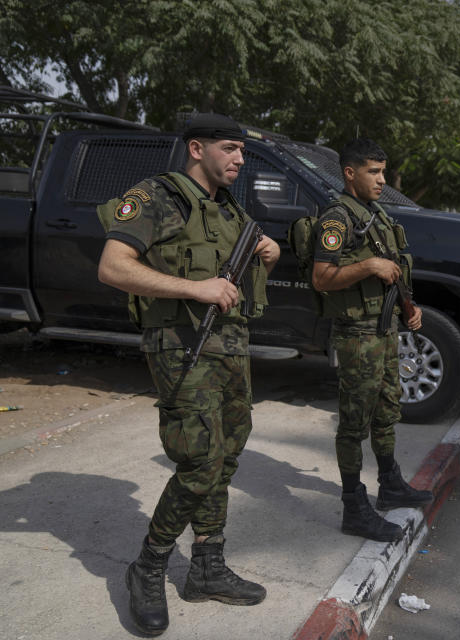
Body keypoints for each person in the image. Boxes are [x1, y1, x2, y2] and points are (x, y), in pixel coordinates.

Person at [97, 113, 280, 636]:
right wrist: (194, 289)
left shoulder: (229, 210)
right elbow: (112, 266)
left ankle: (207, 566)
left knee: (226, 455)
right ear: (196, 148)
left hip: (231, 346)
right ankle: (149, 565)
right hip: (180, 345)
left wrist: (268, 255)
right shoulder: (156, 196)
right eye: (230, 148)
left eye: (242, 150)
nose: (240, 159)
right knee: (200, 460)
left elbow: (241, 284)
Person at [311, 138, 432, 542]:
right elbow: (321, 277)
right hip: (357, 336)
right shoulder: (338, 218)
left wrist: (407, 309)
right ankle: (353, 505)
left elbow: (394, 272)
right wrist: (367, 265)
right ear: (350, 173)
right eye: (373, 172)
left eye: (383, 172)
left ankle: (390, 483)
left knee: (386, 413)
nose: (382, 180)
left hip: (383, 330)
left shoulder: (375, 214)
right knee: (354, 424)